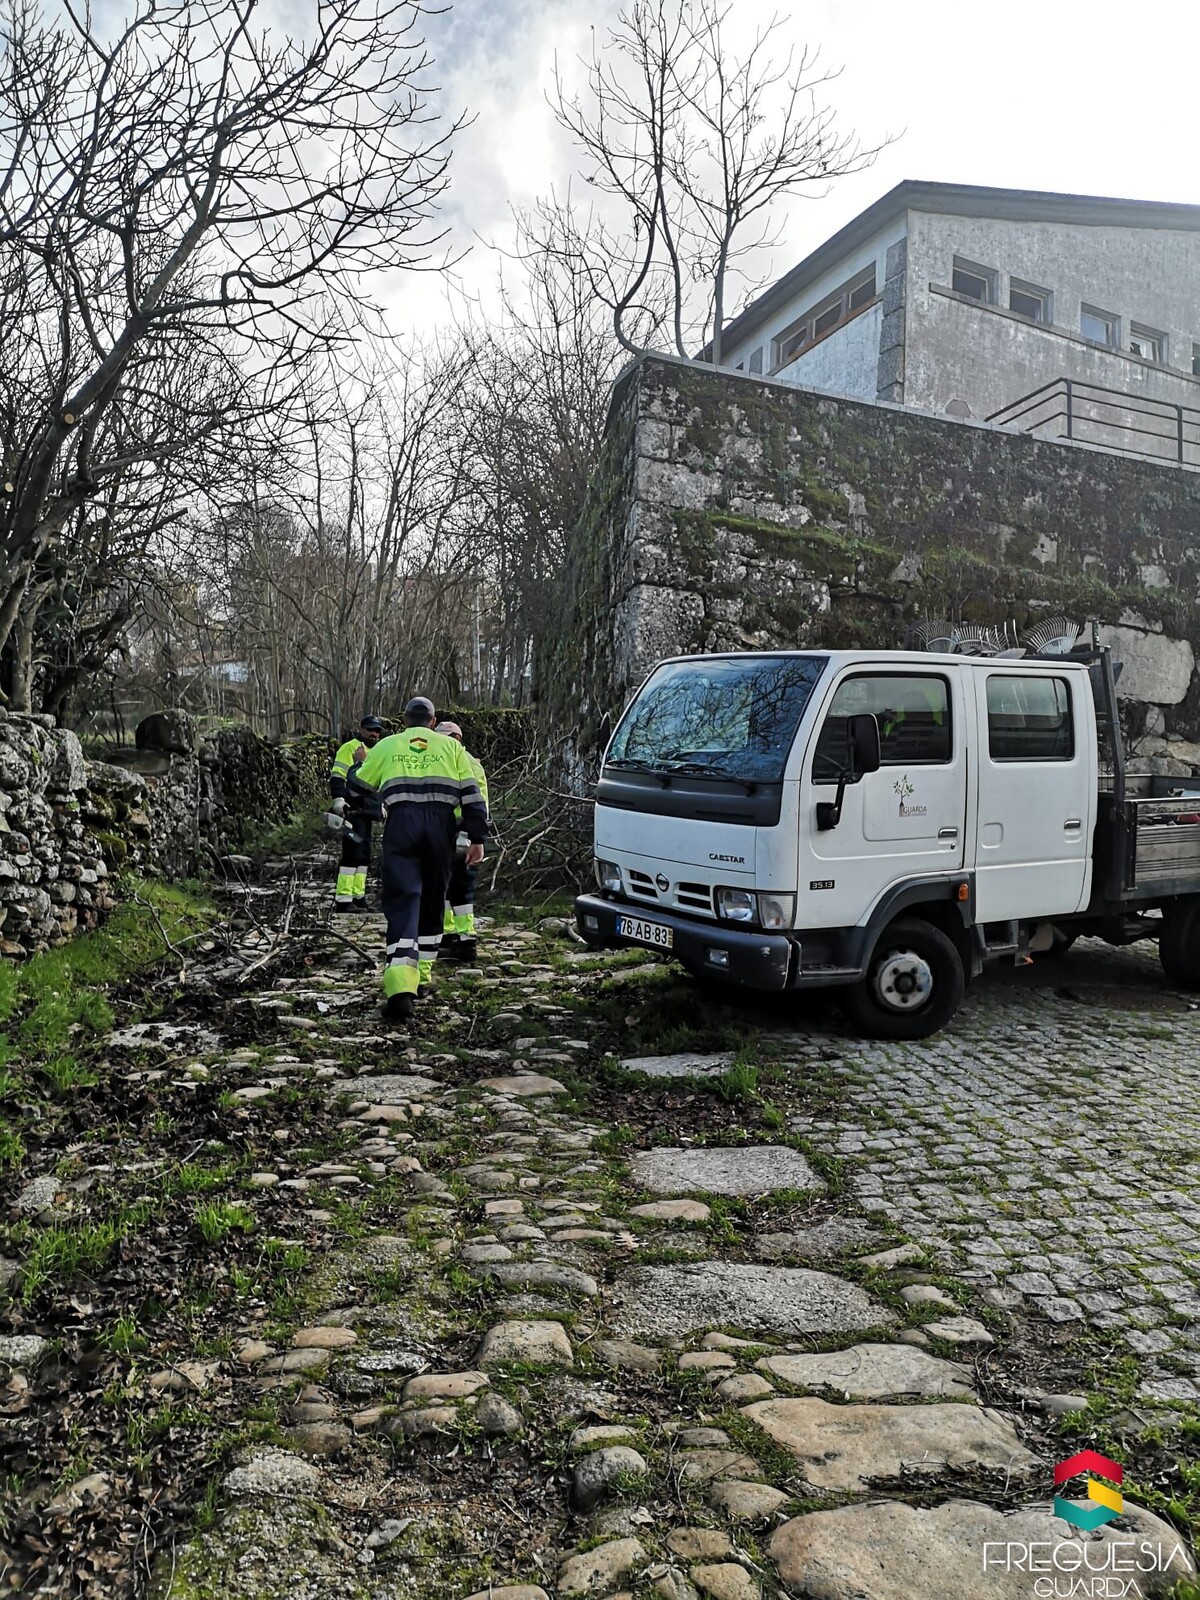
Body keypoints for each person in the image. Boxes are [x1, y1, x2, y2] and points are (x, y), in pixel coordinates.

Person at [351, 697, 487, 1021]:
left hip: (401, 825)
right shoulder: (453, 749)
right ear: (433, 719)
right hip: (441, 829)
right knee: (432, 901)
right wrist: (477, 838)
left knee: (403, 899)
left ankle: (400, 988)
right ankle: (422, 977)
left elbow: (358, 785)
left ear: (405, 720)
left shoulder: (387, 745)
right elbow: (472, 795)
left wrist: (360, 763)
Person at [435, 720, 489, 964]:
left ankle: (465, 940)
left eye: (447, 737)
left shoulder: (462, 761)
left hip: (460, 831)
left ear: (457, 738)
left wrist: (470, 835)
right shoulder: (453, 759)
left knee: (460, 887)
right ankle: (451, 937)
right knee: (448, 888)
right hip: (450, 832)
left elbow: (477, 802)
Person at [328, 715, 384, 911]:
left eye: (377, 730)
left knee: (364, 855)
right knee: (352, 853)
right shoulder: (350, 748)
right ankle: (344, 900)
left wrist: (381, 806)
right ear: (361, 729)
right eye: (370, 729)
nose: (374, 733)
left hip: (367, 810)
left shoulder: (376, 752)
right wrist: (339, 799)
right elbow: (338, 775)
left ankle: (358, 896)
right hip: (352, 809)